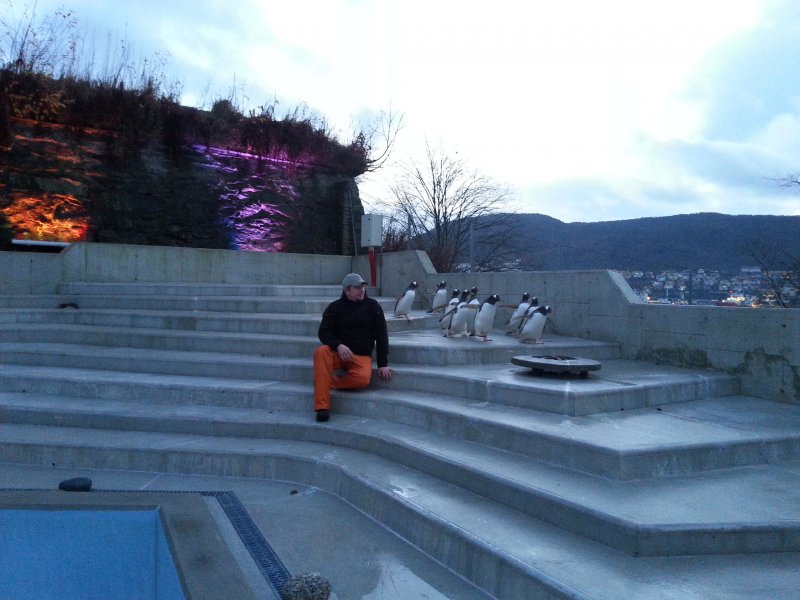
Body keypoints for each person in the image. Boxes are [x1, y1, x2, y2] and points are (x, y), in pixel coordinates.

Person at [313, 273, 393, 421]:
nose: (362, 290)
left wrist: (383, 364)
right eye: (357, 287)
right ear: (347, 290)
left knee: (362, 379)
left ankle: (325, 382)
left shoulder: (373, 306)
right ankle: (322, 407)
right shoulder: (334, 307)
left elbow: (382, 335)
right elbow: (323, 333)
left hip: (361, 356)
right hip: (338, 353)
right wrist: (338, 345)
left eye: (363, 286)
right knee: (321, 352)